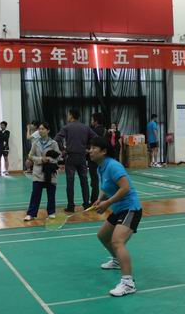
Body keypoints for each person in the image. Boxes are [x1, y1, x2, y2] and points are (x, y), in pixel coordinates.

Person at [90, 136, 142, 297]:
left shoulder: (113, 166)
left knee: (117, 241)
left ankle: (128, 283)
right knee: (103, 236)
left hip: (130, 208)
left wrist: (107, 203)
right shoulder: (101, 167)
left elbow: (125, 188)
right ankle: (117, 261)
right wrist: (100, 199)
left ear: (104, 151)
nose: (90, 151)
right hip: (119, 208)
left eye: (94, 148)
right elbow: (105, 187)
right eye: (90, 147)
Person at [55, 109, 97, 212]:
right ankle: (86, 204)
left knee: (70, 182)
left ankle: (71, 206)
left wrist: (63, 150)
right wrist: (88, 148)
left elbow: (57, 139)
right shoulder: (85, 127)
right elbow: (96, 138)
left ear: (71, 115)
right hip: (82, 157)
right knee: (84, 181)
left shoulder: (66, 127)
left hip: (71, 157)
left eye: (68, 115)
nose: (67, 117)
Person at [24, 122, 60, 221]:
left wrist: (49, 159)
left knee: (51, 194)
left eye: (43, 129)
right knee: (35, 194)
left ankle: (51, 212)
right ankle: (31, 214)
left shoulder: (54, 143)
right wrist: (40, 159)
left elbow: (58, 157)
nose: (40, 130)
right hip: (38, 172)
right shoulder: (35, 143)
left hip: (50, 172)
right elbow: (30, 156)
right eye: (39, 129)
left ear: (48, 130)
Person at [88, 112, 107, 204]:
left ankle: (94, 200)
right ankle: (106, 199)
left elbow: (89, 144)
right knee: (105, 177)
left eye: (92, 120)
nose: (91, 121)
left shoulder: (92, 131)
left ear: (95, 121)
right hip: (103, 156)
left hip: (94, 157)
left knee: (94, 179)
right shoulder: (105, 130)